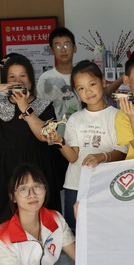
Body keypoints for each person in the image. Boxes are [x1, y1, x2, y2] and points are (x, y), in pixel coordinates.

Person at [0, 54, 62, 231]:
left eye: (23, 76)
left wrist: (24, 107)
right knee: (3, 219)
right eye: (12, 77)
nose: (17, 81)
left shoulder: (45, 105)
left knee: (39, 219)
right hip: (2, 168)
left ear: (30, 79)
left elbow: (43, 136)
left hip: (35, 166)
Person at [44, 61, 127, 231]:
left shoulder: (117, 116)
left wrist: (102, 156)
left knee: (106, 231)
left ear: (103, 81)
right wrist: (59, 141)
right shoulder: (75, 119)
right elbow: (73, 157)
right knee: (76, 232)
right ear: (76, 91)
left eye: (92, 84)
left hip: (106, 185)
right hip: (76, 185)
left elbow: (122, 152)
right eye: (81, 88)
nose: (87, 91)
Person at [37, 27, 81, 193]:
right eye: (58, 46)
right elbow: (40, 109)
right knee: (54, 187)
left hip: (80, 139)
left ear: (74, 48)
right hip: (54, 141)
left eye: (67, 45)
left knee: (78, 185)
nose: (63, 49)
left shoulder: (82, 74)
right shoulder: (45, 78)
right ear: (51, 50)